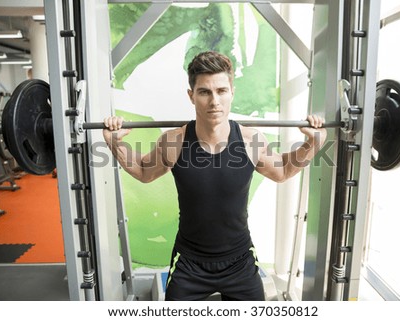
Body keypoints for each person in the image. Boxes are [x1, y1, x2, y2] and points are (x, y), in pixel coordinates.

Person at [103, 51, 327, 301]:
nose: (214, 102)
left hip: (240, 262)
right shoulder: (174, 142)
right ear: (191, 96)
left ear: (232, 92)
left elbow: (283, 171)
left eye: (221, 91)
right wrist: (115, 144)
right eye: (204, 92)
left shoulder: (251, 141)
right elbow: (145, 172)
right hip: (189, 264)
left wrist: (313, 145)